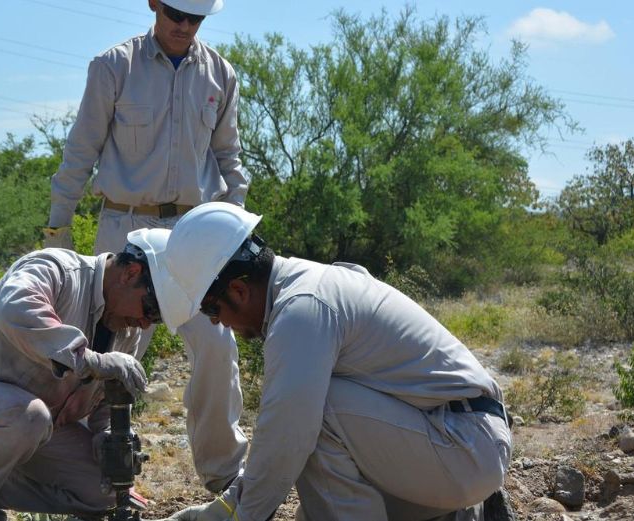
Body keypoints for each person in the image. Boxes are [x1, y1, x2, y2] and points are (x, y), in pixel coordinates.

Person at [142, 203, 514, 521]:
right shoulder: (306, 287)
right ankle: (448, 512)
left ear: (239, 290)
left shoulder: (302, 309)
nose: (215, 321)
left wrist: (241, 513)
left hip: (464, 446)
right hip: (459, 441)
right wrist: (230, 504)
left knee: (312, 417)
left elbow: (287, 433)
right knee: (317, 506)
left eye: (211, 308)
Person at [43, 0, 249, 500]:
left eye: (195, 18)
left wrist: (234, 224)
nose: (183, 26)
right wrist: (58, 229)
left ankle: (227, 477)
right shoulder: (113, 66)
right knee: (106, 353)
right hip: (124, 228)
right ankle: (94, 475)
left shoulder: (220, 74)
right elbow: (81, 150)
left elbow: (230, 158)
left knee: (218, 344)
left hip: (193, 231)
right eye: (176, 12)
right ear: (155, 4)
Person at [0, 235, 167, 521]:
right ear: (131, 273)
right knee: (27, 416)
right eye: (150, 309)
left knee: (104, 489)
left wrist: (107, 436)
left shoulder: (128, 330)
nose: (146, 322)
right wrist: (92, 361)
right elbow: (15, 309)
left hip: (40, 425)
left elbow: (104, 400)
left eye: (157, 318)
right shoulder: (57, 268)